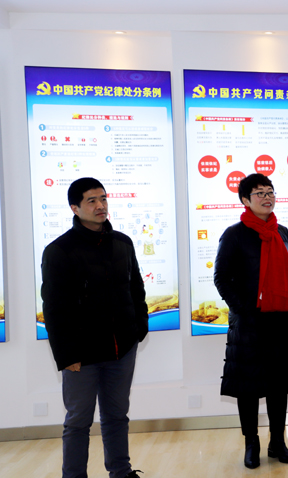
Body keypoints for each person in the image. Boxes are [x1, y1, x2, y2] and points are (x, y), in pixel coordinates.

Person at [41, 177, 147, 478]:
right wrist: (66, 355)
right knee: (78, 421)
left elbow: (136, 288)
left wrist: (138, 328)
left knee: (117, 416)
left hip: (122, 349)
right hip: (81, 355)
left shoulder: (123, 243)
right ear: (75, 208)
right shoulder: (59, 250)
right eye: (92, 200)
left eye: (103, 198)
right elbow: (54, 309)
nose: (101, 205)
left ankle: (121, 471)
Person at [214, 173, 288, 469]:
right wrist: (245, 309)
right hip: (249, 324)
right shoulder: (234, 234)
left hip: (282, 321)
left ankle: (277, 441)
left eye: (270, 192)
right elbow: (221, 278)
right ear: (245, 200)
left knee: (279, 384)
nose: (267, 197)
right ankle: (251, 443)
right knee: (248, 387)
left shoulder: (283, 233)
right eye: (260, 193)